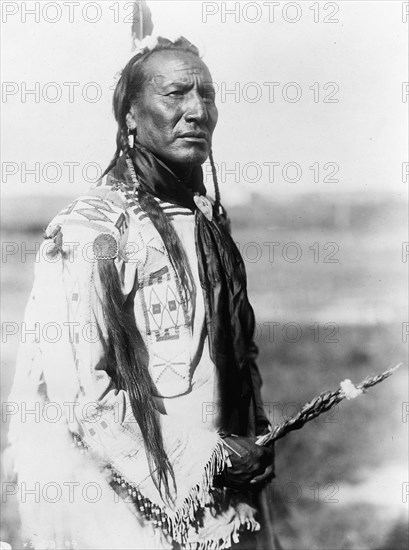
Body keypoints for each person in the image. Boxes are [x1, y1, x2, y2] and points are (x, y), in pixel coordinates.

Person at [6, 36, 275, 550]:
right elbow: (81, 396)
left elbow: (241, 351)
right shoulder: (91, 231)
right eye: (175, 94)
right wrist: (211, 456)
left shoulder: (208, 222)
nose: (198, 111)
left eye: (208, 95)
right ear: (131, 116)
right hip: (119, 502)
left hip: (220, 490)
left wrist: (256, 438)